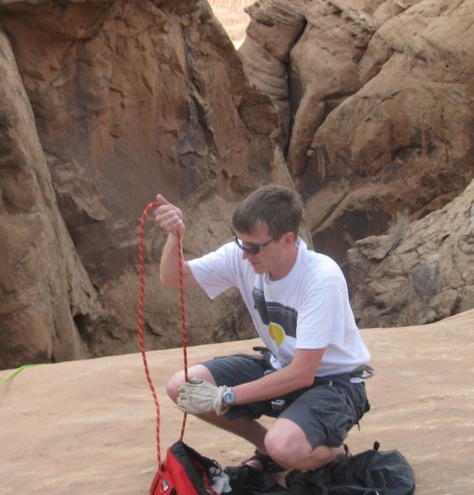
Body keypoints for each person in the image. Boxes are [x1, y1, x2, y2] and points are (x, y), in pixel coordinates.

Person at [153, 185, 372, 473]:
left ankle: (333, 454)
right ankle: (265, 448)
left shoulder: (321, 278)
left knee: (286, 447)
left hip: (335, 382)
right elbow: (175, 278)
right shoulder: (244, 254)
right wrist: (175, 236)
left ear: (287, 240)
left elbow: (303, 373)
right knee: (181, 387)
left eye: (254, 247)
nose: (245, 254)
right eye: (241, 242)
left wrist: (226, 395)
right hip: (278, 366)